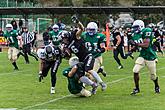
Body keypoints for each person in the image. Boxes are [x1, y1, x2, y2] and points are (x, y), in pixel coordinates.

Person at [59, 16, 107, 91]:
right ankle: (94, 85)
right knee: (79, 75)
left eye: (64, 39)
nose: (63, 41)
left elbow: (81, 28)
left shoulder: (75, 36)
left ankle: (101, 83)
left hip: (90, 56)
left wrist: (77, 21)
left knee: (89, 71)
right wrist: (64, 55)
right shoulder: (68, 45)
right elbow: (69, 56)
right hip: (81, 59)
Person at [130, 20, 160, 95]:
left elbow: (146, 45)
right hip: (142, 55)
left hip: (150, 56)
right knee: (135, 70)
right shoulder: (135, 34)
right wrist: (131, 51)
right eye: (134, 27)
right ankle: (137, 88)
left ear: (141, 26)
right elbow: (136, 45)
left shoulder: (147, 31)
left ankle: (156, 85)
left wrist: (135, 44)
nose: (135, 29)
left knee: (153, 76)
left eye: (136, 27)